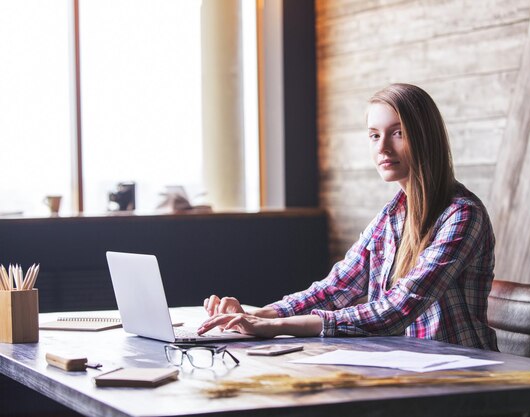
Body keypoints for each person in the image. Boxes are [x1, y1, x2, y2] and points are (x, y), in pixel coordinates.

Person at [198, 83, 498, 350]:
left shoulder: (462, 215)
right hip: (405, 366)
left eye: (398, 133)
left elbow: (398, 308)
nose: (382, 148)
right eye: (374, 135)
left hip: (464, 372)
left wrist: (276, 327)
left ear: (425, 138)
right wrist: (260, 314)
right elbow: (337, 287)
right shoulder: (392, 215)